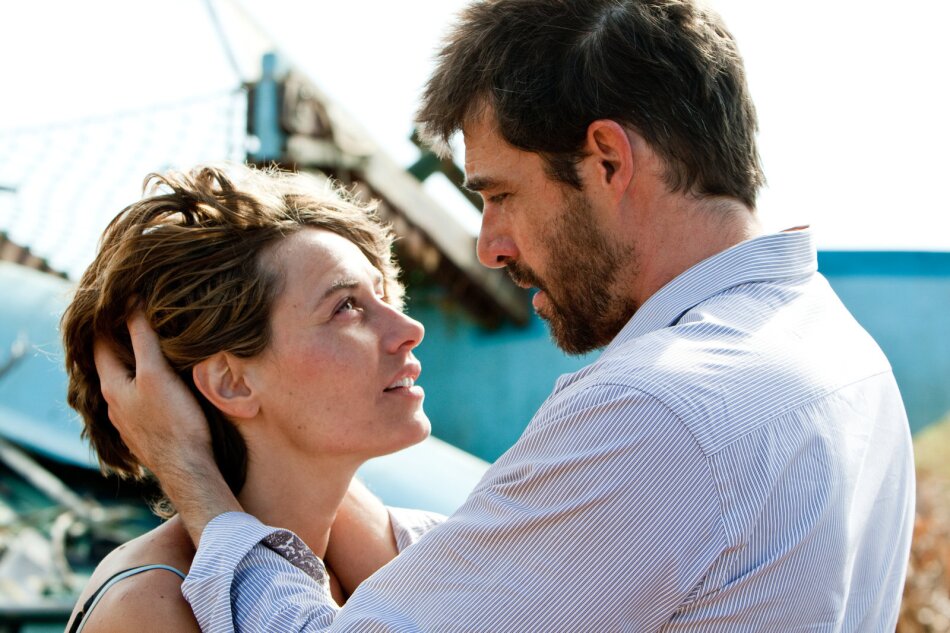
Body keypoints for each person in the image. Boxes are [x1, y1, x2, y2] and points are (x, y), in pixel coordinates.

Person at [95, 0, 916, 630]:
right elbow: (518, 568)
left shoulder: (660, 411)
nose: (490, 246)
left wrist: (196, 477)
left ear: (607, 160)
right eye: (347, 305)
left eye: (500, 193)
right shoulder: (841, 357)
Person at [61, 164, 436, 632]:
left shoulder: (399, 552)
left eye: (381, 294)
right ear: (231, 383)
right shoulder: (149, 607)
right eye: (345, 307)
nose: (409, 329)